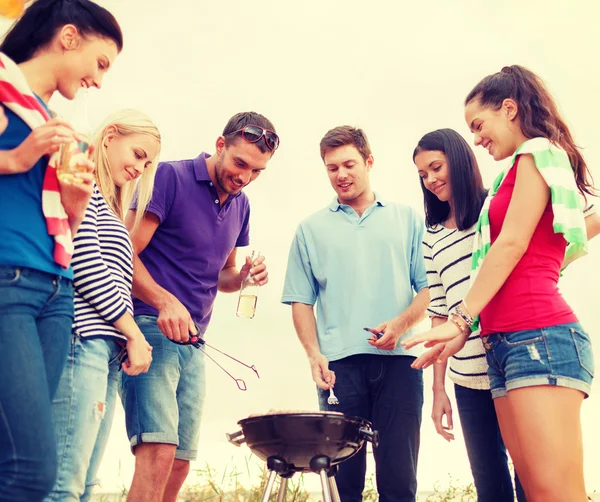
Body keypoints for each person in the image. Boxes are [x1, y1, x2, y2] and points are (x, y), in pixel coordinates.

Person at [403, 66, 595, 502]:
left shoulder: (538, 153)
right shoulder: (515, 173)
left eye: (479, 125)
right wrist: (463, 332)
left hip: (540, 337)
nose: (477, 138)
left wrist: (460, 319)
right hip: (503, 346)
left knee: (556, 494)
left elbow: (509, 246)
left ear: (509, 109)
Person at [119, 112, 278, 502]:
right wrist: (164, 300)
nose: (244, 177)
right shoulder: (169, 178)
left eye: (256, 171)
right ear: (220, 145)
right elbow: (123, 250)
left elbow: (224, 277)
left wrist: (243, 278)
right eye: (240, 163)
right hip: (148, 328)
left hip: (194, 342)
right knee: (157, 450)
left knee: (180, 461)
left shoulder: (241, 207)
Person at [0, 1, 122, 500]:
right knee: (31, 470)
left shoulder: (53, 119)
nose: (99, 81)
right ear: (69, 37)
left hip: (56, 291)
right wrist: (16, 156)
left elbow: (61, 222)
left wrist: (74, 202)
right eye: (100, 63)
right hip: (9, 283)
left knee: (22, 463)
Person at [281, 126, 429, 502]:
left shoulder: (408, 218)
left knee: (399, 480)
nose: (341, 174)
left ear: (369, 162)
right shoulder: (310, 229)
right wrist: (314, 354)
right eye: (332, 168)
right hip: (338, 370)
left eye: (349, 164)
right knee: (342, 483)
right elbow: (301, 300)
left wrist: (400, 324)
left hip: (400, 363)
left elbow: (427, 289)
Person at [46, 110, 160, 502]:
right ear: (110, 136)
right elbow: (86, 265)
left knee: (87, 484)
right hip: (83, 341)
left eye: (147, 163)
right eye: (138, 153)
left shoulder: (109, 206)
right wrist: (134, 333)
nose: (140, 168)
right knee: (65, 481)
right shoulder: (86, 189)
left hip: (106, 350)